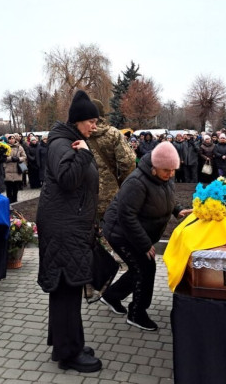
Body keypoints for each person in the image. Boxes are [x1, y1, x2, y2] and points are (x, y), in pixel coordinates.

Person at [36, 90, 102, 373]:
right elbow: (66, 179)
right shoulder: (61, 144)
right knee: (66, 288)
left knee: (67, 288)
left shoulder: (69, 140)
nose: (94, 126)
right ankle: (68, 354)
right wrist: (84, 155)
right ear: (77, 120)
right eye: (91, 121)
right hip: (64, 228)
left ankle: (66, 344)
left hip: (70, 225)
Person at [100, 141, 191, 331]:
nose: (170, 174)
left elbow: (165, 196)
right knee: (145, 269)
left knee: (139, 269)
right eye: (166, 170)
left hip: (135, 232)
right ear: (154, 167)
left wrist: (177, 210)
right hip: (120, 232)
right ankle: (137, 313)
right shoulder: (136, 182)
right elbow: (126, 216)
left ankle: (111, 296)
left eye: (173, 170)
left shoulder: (163, 176)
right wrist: (144, 244)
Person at [88, 99, 136, 222]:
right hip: (110, 195)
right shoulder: (113, 133)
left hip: (85, 197)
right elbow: (128, 161)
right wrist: (122, 182)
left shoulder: (80, 133)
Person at [3, 134, 26, 203]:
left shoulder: (20, 147)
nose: (11, 140)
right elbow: (3, 157)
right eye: (10, 139)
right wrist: (10, 158)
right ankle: (9, 201)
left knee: (16, 187)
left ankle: (15, 200)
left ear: (15, 139)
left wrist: (18, 159)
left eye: (12, 138)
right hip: (7, 170)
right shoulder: (4, 147)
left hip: (17, 169)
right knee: (9, 188)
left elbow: (24, 156)